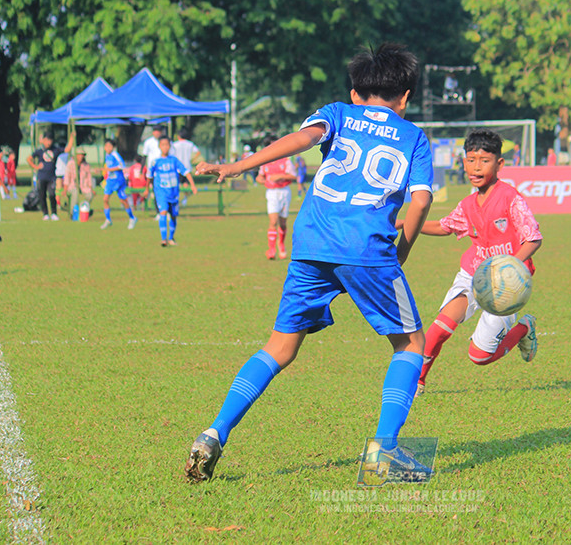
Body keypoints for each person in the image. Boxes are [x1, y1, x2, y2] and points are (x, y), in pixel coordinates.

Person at [185, 43, 434, 484]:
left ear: (356, 93)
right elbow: (418, 202)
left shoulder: (338, 112)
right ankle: (385, 453)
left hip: (311, 239)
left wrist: (239, 165)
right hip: (367, 249)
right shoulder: (414, 137)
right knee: (411, 344)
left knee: (279, 347)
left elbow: (300, 141)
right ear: (406, 97)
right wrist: (402, 254)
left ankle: (213, 432)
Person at [401, 130, 541, 396]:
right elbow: (444, 226)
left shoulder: (511, 198)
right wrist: (402, 222)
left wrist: (507, 268)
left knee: (480, 356)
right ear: (463, 162)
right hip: (473, 274)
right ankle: (417, 382)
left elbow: (533, 239)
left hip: (506, 286)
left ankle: (524, 327)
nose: (476, 166)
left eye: (485, 160)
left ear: (499, 164)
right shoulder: (467, 204)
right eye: (471, 159)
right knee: (439, 328)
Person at [146, 135, 196, 246]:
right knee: (163, 212)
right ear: (159, 146)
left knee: (173, 215)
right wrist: (146, 189)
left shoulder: (174, 160)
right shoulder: (156, 162)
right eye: (163, 145)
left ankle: (171, 238)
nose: (165, 147)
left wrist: (192, 185)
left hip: (173, 193)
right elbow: (149, 176)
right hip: (161, 192)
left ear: (170, 146)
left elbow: (186, 172)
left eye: (167, 145)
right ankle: (164, 239)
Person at [256, 134, 297, 260]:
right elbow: (259, 177)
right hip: (272, 192)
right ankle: (271, 249)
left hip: (284, 191)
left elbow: (293, 176)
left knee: (283, 222)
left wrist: (281, 177)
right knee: (273, 221)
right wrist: (264, 181)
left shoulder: (285, 160)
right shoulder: (265, 162)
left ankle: (281, 244)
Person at [28, 132, 68, 220]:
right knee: (42, 195)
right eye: (47, 140)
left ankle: (54, 213)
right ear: (44, 140)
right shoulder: (40, 151)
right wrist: (35, 167)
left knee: (52, 194)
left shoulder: (55, 149)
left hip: (52, 177)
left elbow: (67, 149)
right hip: (42, 177)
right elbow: (29, 158)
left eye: (50, 140)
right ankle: (45, 213)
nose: (48, 142)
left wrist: (72, 137)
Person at [100, 139, 137, 229]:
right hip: (110, 181)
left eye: (110, 146)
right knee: (105, 199)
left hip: (118, 181)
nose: (108, 148)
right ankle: (108, 219)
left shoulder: (115, 155)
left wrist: (109, 170)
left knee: (123, 200)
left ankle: (132, 218)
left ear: (113, 147)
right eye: (106, 146)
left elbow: (122, 165)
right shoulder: (107, 156)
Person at [62, 148, 95, 218]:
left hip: (83, 186)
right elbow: (67, 177)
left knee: (89, 195)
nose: (81, 157)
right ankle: (72, 212)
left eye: (82, 155)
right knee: (75, 194)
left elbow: (89, 177)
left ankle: (85, 210)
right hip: (72, 185)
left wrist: (91, 188)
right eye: (79, 155)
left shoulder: (86, 165)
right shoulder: (70, 164)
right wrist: (65, 189)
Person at [171, 128, 201, 204]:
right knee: (185, 184)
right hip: (187, 166)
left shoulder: (175, 144)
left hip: (178, 168)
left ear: (178, 136)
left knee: (177, 184)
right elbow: (198, 152)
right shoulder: (190, 144)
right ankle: (185, 198)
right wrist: (192, 160)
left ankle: (177, 199)